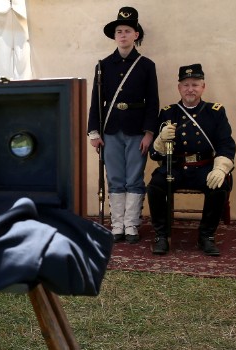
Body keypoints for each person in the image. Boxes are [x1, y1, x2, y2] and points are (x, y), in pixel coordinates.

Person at [147, 64, 236, 256]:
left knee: (219, 186)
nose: (190, 89)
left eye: (195, 84)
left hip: (204, 167)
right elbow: (155, 156)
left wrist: (220, 168)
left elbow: (226, 144)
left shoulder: (215, 111)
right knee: (155, 186)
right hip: (175, 167)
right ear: (179, 88)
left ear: (203, 87)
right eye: (186, 85)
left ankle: (206, 236)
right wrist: (161, 140)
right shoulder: (168, 112)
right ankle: (161, 236)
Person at [87, 6, 159, 243]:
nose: (123, 34)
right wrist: (94, 132)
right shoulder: (103, 65)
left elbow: (153, 102)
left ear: (136, 35)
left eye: (128, 30)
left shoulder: (147, 65)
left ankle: (132, 225)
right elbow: (96, 102)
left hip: (137, 130)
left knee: (135, 178)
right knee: (115, 178)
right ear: (114, 35)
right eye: (119, 31)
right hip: (111, 130)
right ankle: (117, 225)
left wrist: (149, 133)